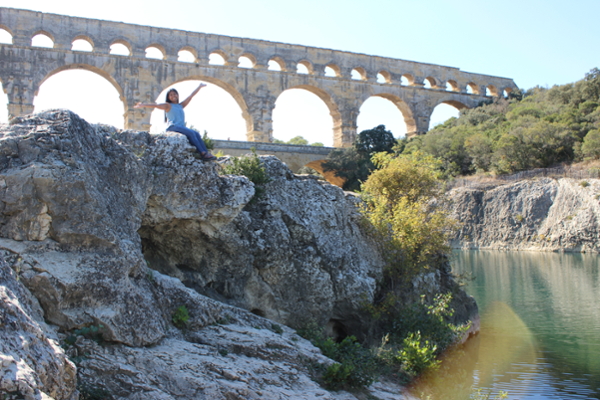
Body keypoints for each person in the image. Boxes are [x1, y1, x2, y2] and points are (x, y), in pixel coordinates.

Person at [135, 83, 217, 161]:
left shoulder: (180, 105)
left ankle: (206, 152)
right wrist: (143, 104)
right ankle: (203, 153)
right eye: (171, 95)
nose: (173, 96)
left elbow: (190, 96)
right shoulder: (168, 105)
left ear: (177, 95)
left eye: (175, 94)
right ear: (168, 97)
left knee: (196, 133)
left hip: (181, 127)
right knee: (191, 133)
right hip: (173, 127)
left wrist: (199, 87)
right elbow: (157, 105)